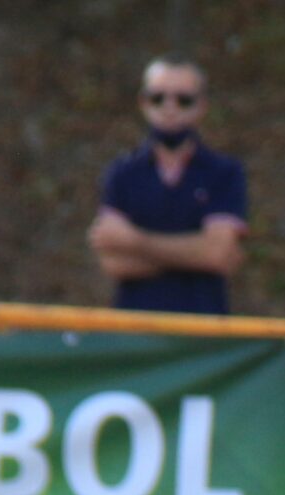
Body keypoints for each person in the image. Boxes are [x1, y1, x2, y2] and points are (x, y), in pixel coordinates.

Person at [90, 56, 249, 316]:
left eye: (183, 99)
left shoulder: (224, 172)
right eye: (158, 98)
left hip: (203, 331)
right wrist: (195, 253)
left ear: (201, 106)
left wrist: (133, 241)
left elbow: (218, 254)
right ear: (143, 102)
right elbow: (113, 262)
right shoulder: (122, 173)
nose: (169, 107)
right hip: (133, 329)